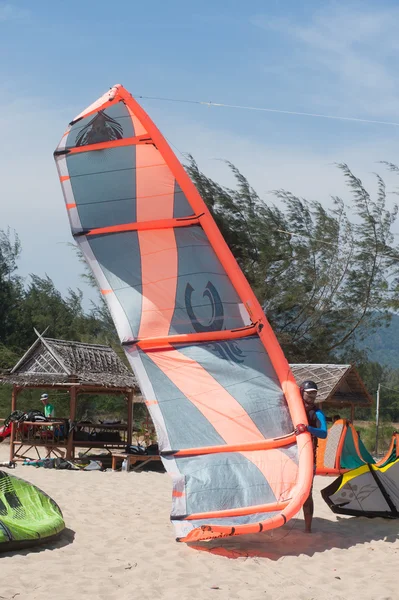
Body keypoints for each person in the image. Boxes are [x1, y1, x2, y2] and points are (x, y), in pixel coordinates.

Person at [295, 380, 327, 533]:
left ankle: (308, 528)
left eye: (315, 392)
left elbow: (324, 433)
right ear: (302, 392)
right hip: (291, 455)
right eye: (309, 393)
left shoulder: (317, 412)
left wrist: (307, 428)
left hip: (308, 459)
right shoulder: (294, 409)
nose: (313, 395)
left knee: (307, 492)